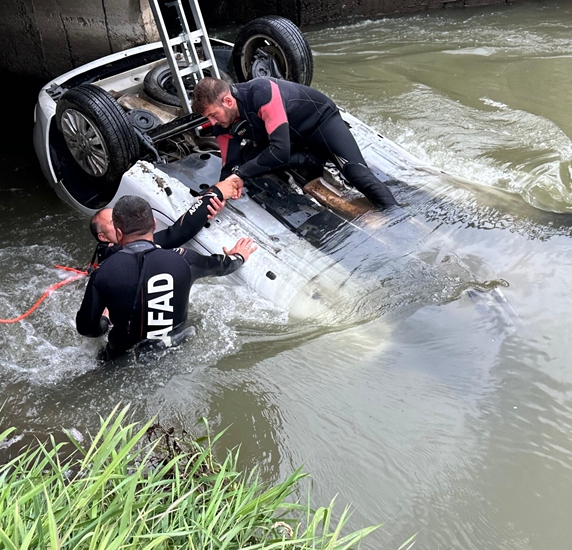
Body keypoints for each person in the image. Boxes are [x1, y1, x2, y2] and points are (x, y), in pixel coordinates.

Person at [76, 195, 257, 357]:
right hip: (175, 351)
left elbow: (87, 329)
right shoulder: (185, 259)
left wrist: (106, 320)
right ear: (154, 224)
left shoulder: (103, 272)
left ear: (119, 233)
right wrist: (238, 256)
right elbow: (222, 266)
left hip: (121, 359)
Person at [191, 75, 398, 209]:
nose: (211, 122)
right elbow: (229, 166)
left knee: (356, 174)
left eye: (212, 114)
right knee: (247, 159)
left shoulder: (261, 92)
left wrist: (240, 174)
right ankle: (308, 160)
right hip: (288, 140)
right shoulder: (222, 124)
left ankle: (398, 217)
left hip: (319, 124)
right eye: (207, 118)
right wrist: (217, 194)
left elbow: (279, 151)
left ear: (227, 101)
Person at [87, 179, 241, 268]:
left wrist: (211, 204)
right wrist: (215, 194)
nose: (123, 219)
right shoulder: (119, 253)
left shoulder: (109, 250)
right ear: (103, 237)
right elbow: (176, 234)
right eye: (114, 221)